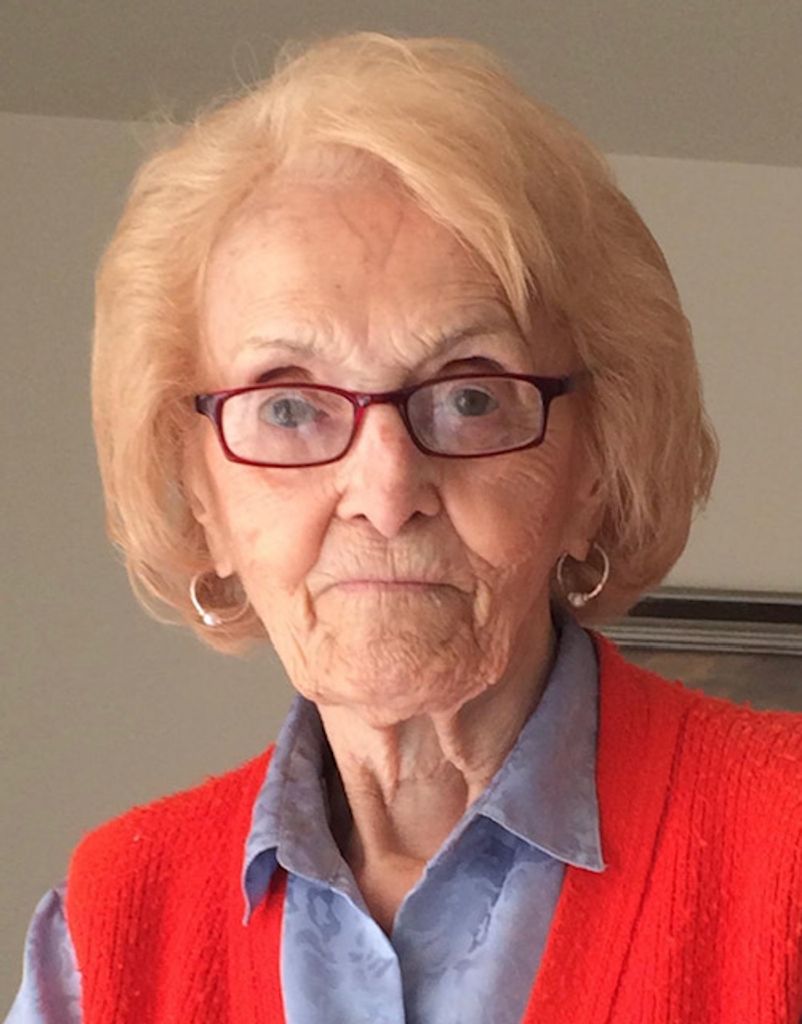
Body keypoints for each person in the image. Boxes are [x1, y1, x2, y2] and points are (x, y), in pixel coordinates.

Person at [6, 31, 802, 1024]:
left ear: (596, 467)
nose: (385, 491)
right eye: (287, 406)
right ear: (200, 495)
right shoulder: (110, 935)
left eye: (470, 397)